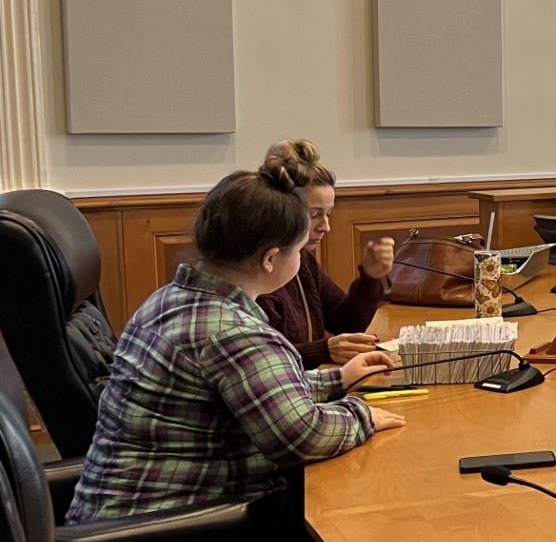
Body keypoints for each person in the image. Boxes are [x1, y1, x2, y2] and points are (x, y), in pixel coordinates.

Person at [66, 160, 406, 523]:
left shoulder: (167, 299)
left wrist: (338, 378)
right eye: (299, 250)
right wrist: (361, 414)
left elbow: (257, 387)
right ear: (271, 259)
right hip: (166, 533)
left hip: (114, 519)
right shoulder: (235, 332)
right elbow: (303, 437)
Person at [256, 139, 395, 366]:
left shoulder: (304, 261)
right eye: (314, 215)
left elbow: (346, 323)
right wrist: (322, 351)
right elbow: (259, 359)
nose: (326, 227)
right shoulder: (254, 270)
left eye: (328, 214)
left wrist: (370, 278)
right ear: (283, 211)